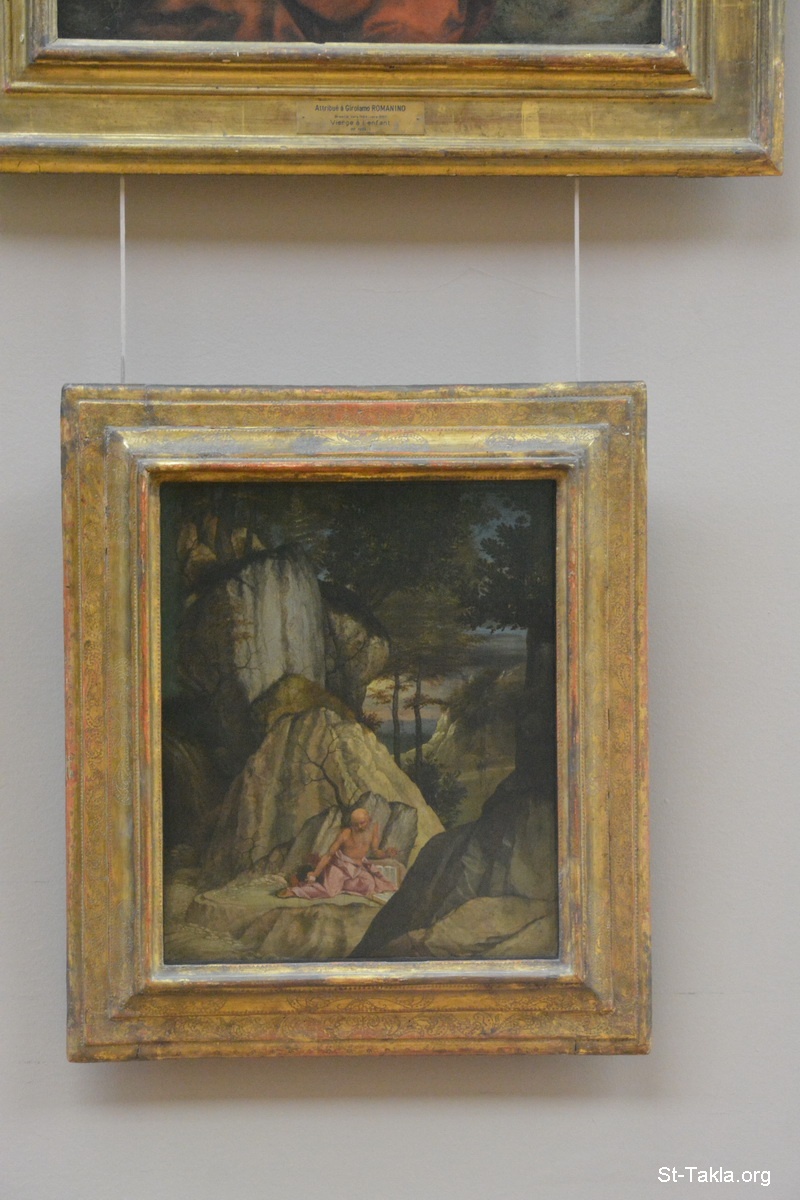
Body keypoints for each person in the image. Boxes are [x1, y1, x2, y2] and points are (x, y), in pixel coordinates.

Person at [280, 805, 399, 899]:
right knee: (329, 892)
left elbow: (375, 851)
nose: (359, 827)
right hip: (339, 866)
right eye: (355, 824)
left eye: (362, 823)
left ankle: (339, 884)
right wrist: (315, 873)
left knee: (370, 885)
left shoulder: (373, 829)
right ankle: (294, 891)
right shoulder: (346, 833)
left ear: (369, 820)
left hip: (357, 868)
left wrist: (386, 853)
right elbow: (329, 854)